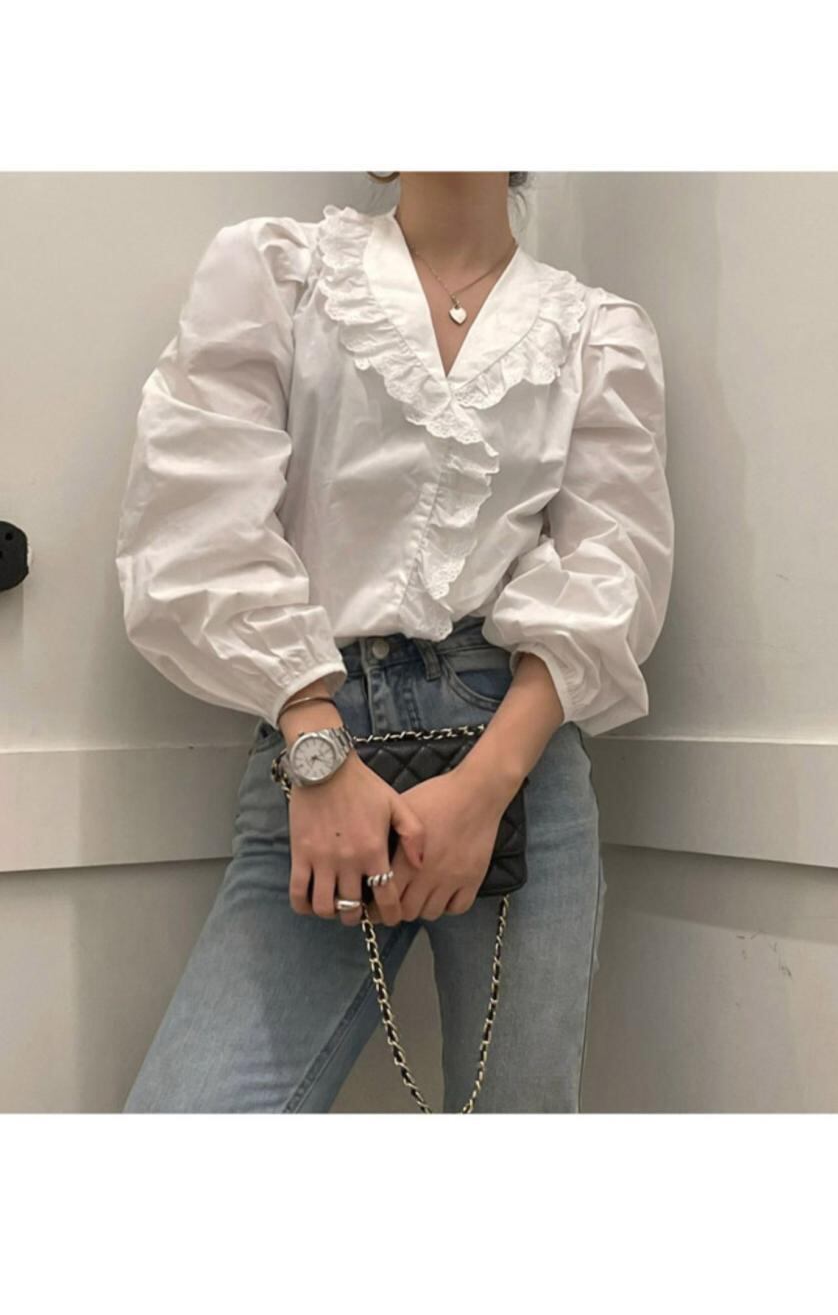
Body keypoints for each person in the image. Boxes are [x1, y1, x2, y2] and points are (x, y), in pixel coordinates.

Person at [116, 174, 673, 1113]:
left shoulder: (596, 332)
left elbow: (612, 568)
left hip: (517, 754)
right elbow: (196, 521)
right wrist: (316, 745)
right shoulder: (280, 274)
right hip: (316, 741)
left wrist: (488, 785)